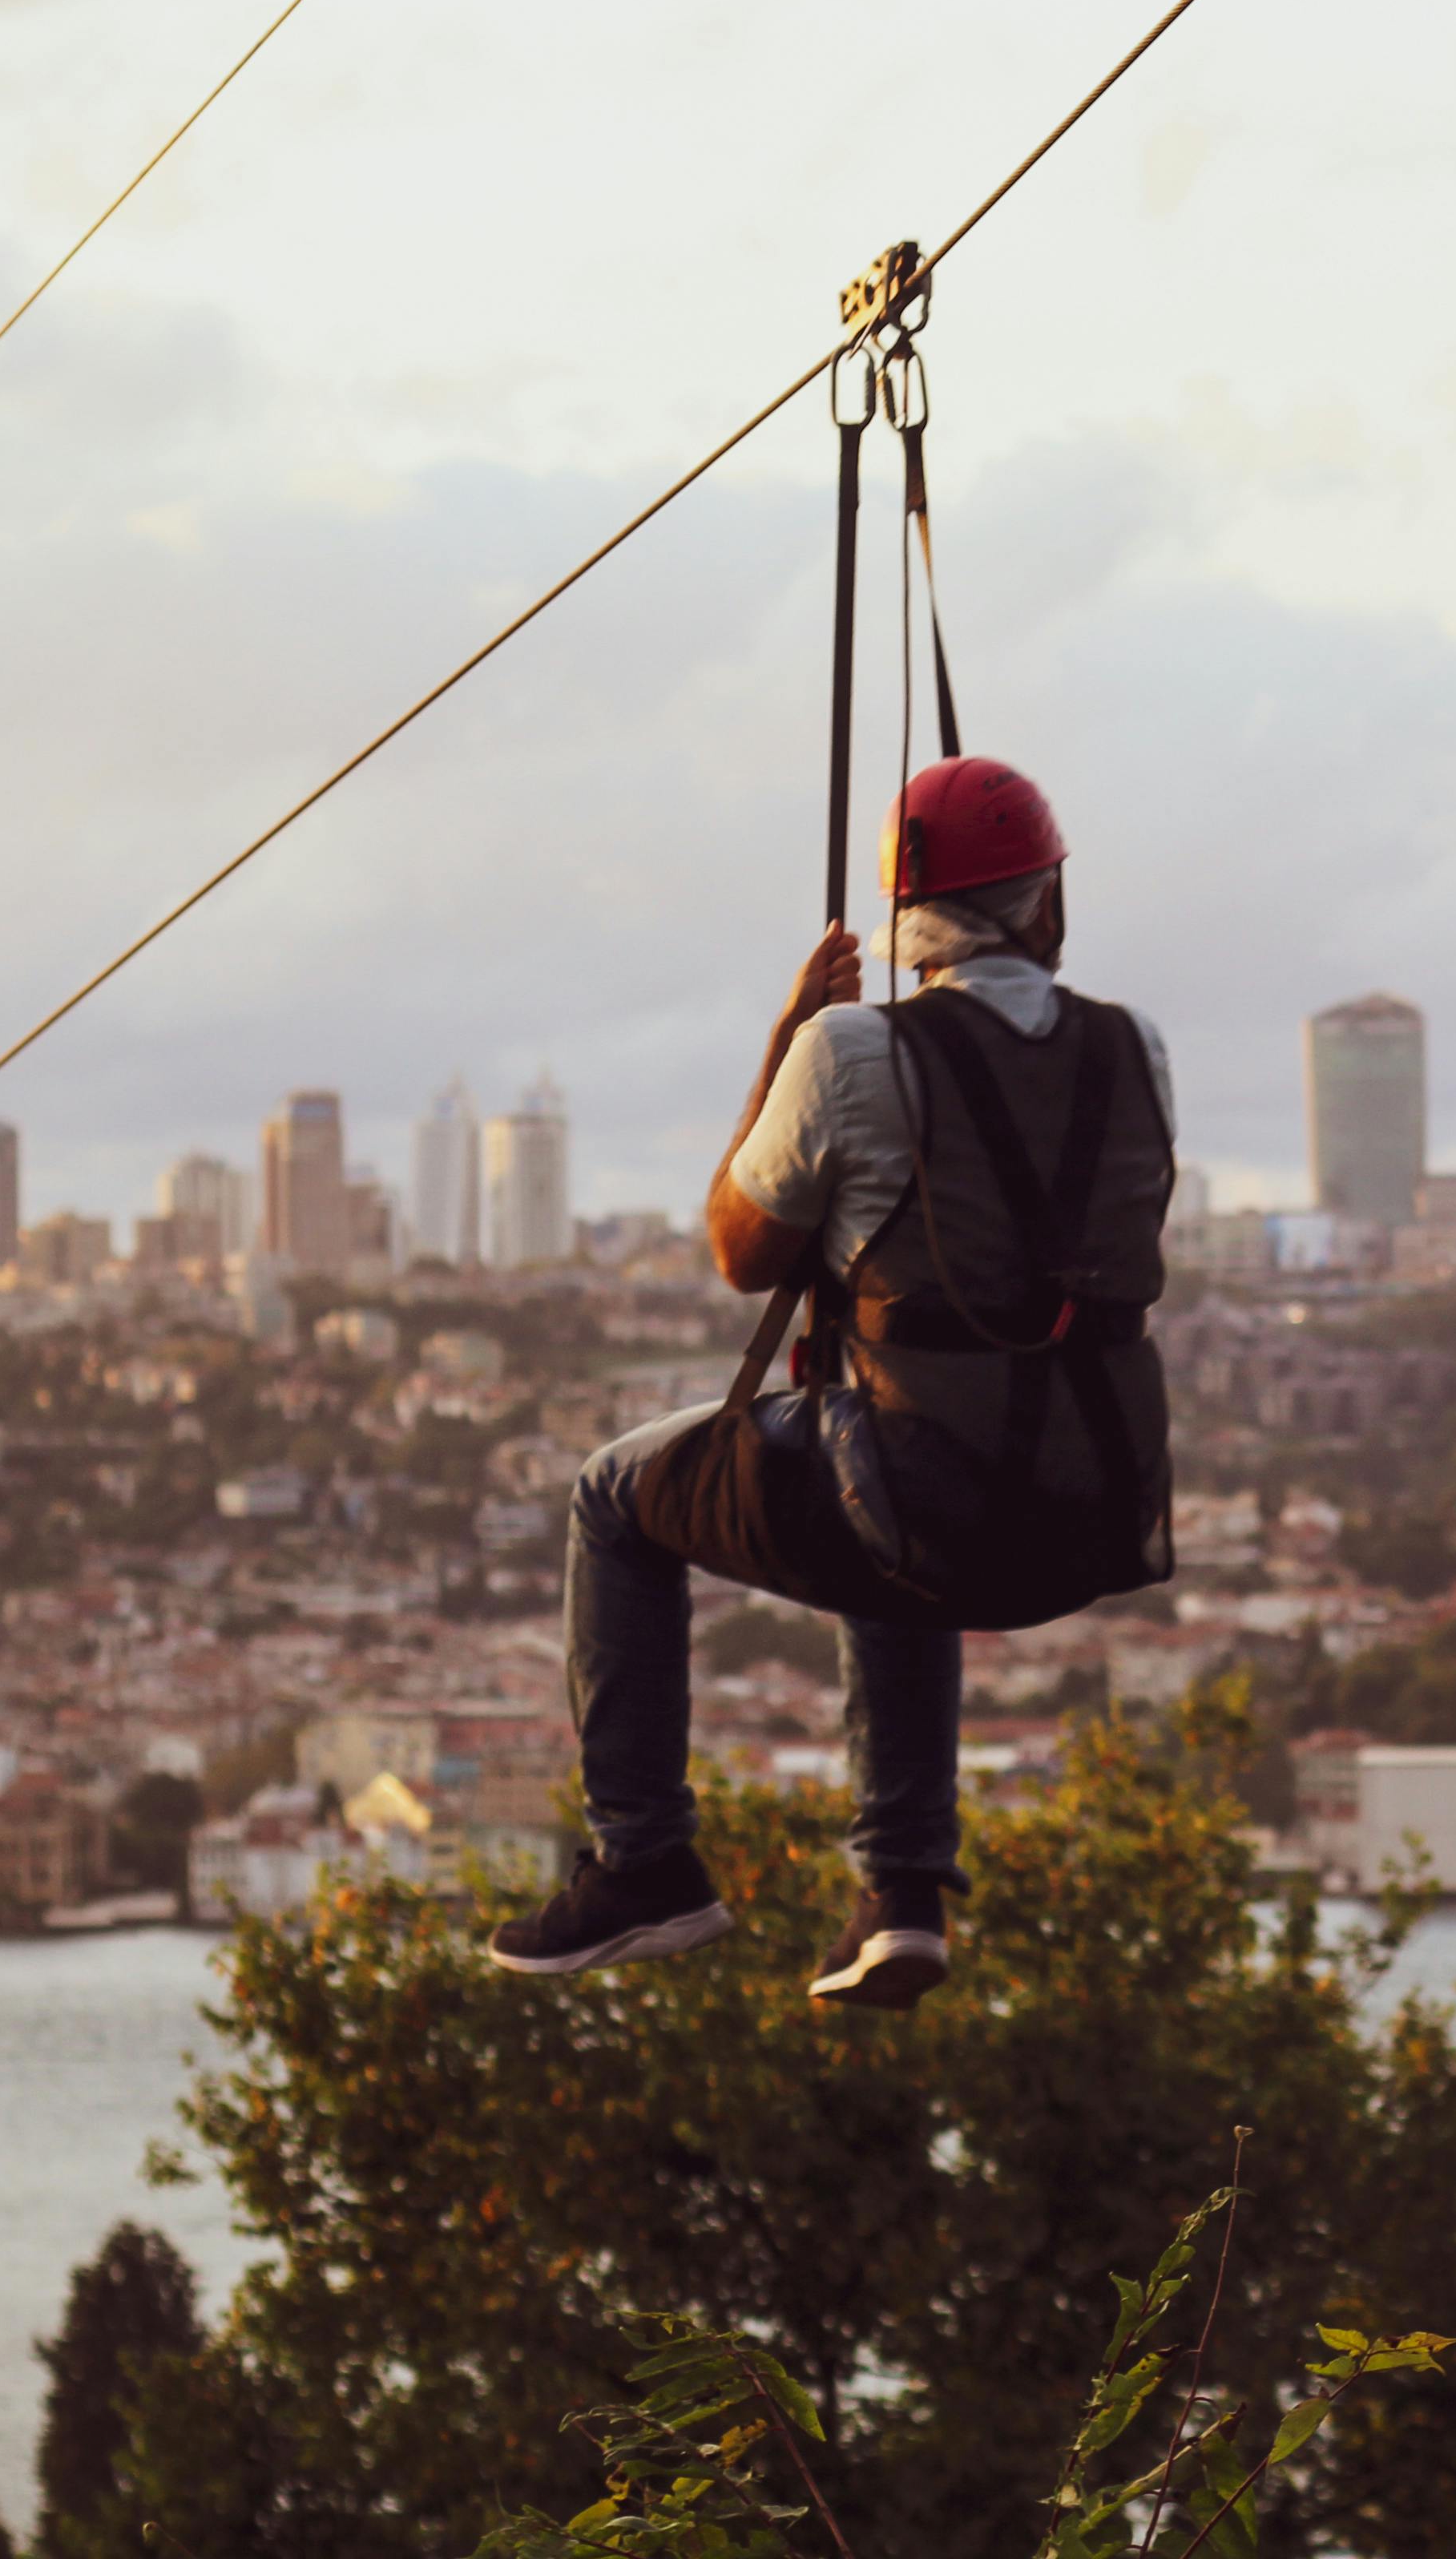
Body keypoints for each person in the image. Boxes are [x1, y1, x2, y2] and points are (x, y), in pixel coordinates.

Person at [490, 755, 1176, 2007]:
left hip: (931, 1497)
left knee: (614, 1495)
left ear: (910, 927)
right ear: (1051, 908)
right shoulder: (1139, 1051)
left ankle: (644, 1862)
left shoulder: (853, 1053)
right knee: (893, 1454)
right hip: (1097, 1509)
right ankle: (902, 1892)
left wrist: (790, 1040)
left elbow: (740, 1252)